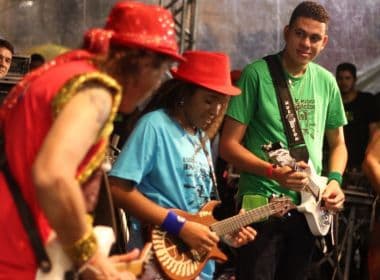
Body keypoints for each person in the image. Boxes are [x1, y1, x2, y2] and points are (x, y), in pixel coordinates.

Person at [0, 1, 183, 279]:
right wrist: (92, 259)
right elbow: (53, 177)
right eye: (160, 71)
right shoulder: (96, 90)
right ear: (141, 63)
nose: (157, 84)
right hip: (18, 253)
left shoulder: (65, 72)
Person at [218, 1, 347, 279]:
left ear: (324, 42)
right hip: (262, 205)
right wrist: (272, 172)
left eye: (315, 38)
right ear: (287, 32)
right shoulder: (256, 74)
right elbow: (227, 146)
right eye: (300, 34)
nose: (306, 43)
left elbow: (338, 144)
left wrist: (334, 180)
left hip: (309, 210)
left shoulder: (326, 82)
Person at [109, 50, 257, 280]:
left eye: (222, 103)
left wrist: (226, 234)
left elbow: (197, 213)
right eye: (209, 100)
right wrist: (178, 226)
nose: (216, 111)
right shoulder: (155, 125)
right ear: (184, 94)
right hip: (157, 264)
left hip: (195, 267)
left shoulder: (201, 139)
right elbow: (117, 188)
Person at [336, 62, 380, 172]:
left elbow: (374, 130)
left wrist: (369, 155)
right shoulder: (332, 102)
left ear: (355, 80)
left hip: (361, 159)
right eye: (340, 78)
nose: (344, 82)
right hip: (337, 157)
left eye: (347, 78)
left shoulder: (366, 100)